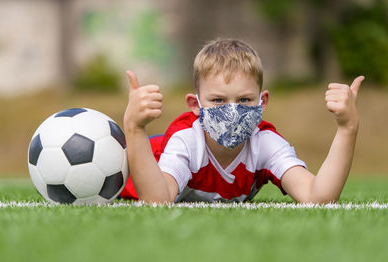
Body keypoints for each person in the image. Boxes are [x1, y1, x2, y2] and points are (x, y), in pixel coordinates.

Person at [120, 38, 364, 204]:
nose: (232, 112)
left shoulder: (265, 143)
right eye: (217, 100)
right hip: (137, 160)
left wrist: (347, 128)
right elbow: (157, 200)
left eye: (245, 100)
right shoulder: (185, 140)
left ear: (263, 101)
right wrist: (134, 128)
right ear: (195, 105)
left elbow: (317, 197)